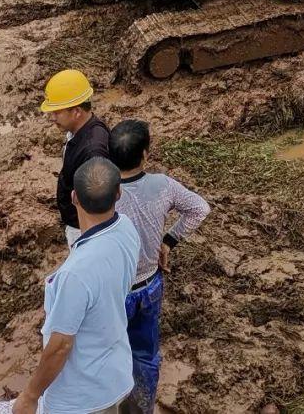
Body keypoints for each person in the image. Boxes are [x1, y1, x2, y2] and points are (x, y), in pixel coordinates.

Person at [12, 156, 138, 414]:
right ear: (119, 192)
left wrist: (30, 396)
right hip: (115, 375)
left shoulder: (75, 273)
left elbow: (60, 346)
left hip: (82, 399)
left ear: (74, 198)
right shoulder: (127, 229)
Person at [111, 119, 210, 414]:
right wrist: (168, 240)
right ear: (145, 155)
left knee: (110, 348)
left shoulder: (105, 195)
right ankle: (141, 408)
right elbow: (200, 209)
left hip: (116, 291)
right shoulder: (163, 185)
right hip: (150, 285)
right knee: (145, 353)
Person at [39, 68, 112, 247]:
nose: (52, 117)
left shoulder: (93, 152)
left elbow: (96, 204)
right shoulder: (78, 132)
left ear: (77, 112)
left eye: (57, 112)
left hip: (83, 228)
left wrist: (87, 237)